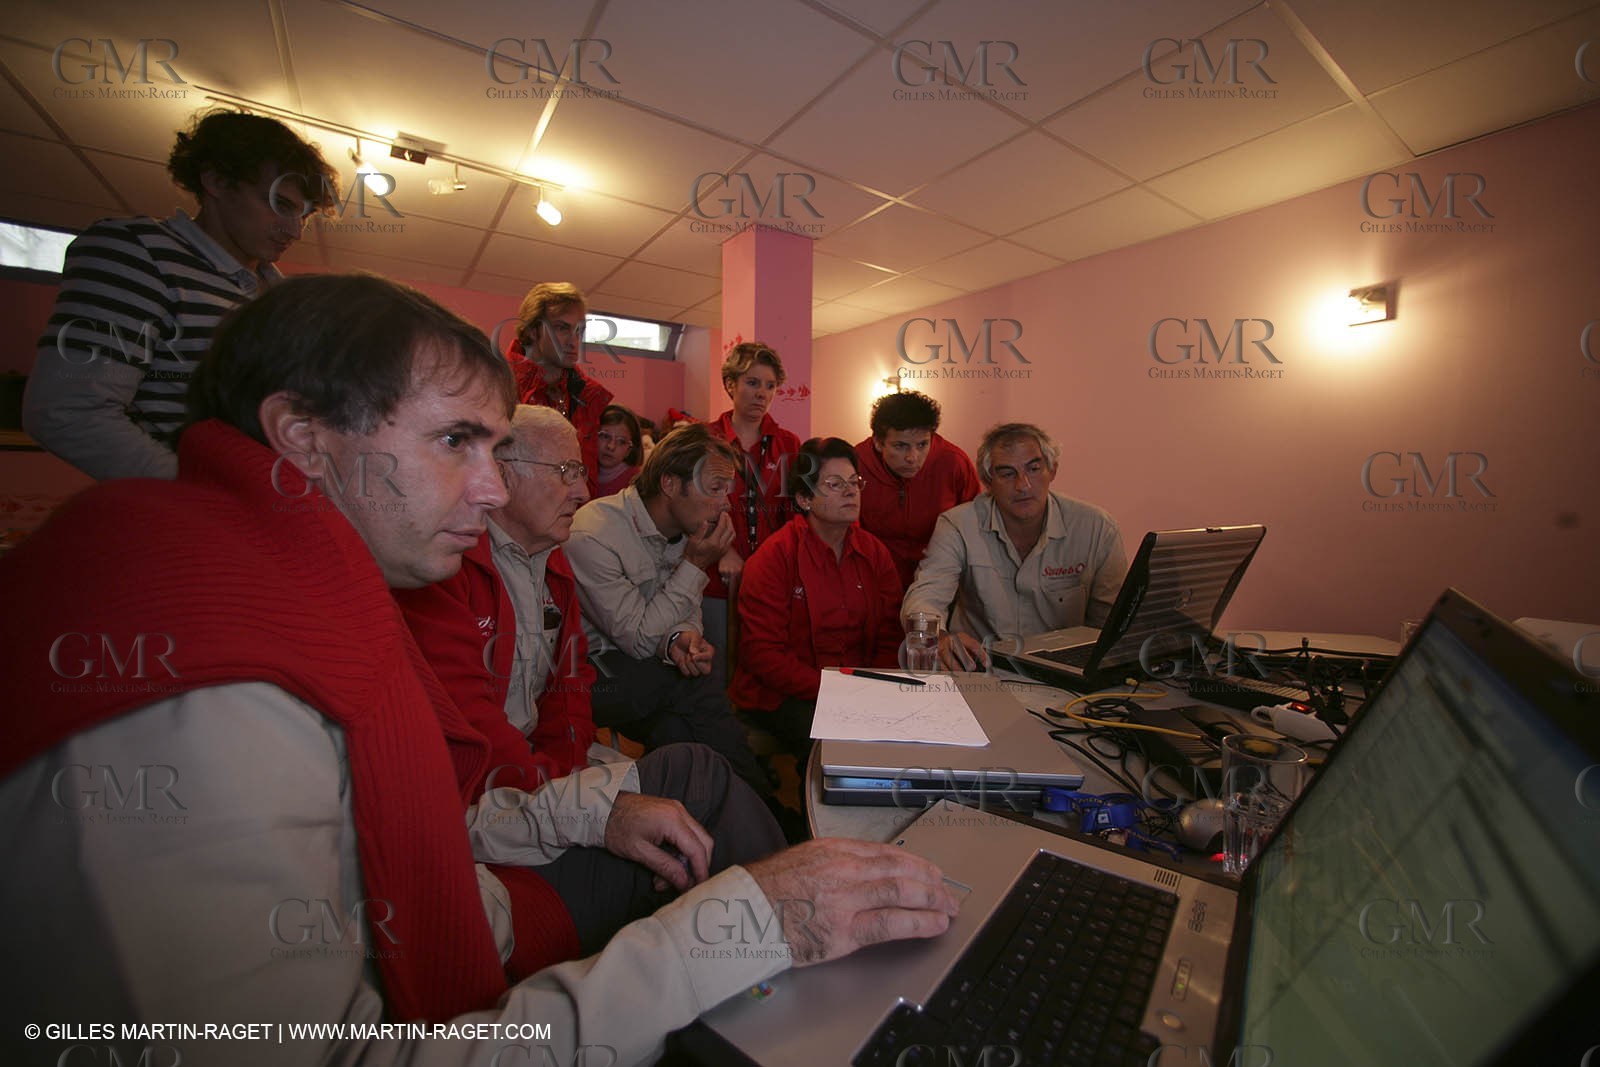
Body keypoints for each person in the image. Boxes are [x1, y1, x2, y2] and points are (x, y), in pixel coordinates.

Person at [0, 273, 958, 1067]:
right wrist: (744, 928)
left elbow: (500, 759)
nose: (495, 488)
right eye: (458, 441)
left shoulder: (276, 583)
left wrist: (593, 804)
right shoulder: (190, 661)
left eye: (499, 451)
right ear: (301, 436)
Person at [396, 404, 785, 960]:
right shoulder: (455, 565)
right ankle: (779, 903)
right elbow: (479, 727)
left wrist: (681, 638)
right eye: (565, 472)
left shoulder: (550, 560)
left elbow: (567, 691)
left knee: (689, 737)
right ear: (503, 473)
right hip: (491, 789)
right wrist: (570, 791)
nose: (582, 491)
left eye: (581, 473)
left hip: (547, 755)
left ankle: (760, 910)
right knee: (691, 739)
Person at [23, 107, 337, 480]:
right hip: (196, 513)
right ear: (217, 181)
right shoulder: (139, 250)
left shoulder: (277, 294)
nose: (294, 230)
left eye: (303, 215)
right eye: (280, 205)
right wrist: (201, 497)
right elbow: (69, 411)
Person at [563, 424, 783, 816]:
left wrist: (686, 639)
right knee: (690, 684)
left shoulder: (684, 529)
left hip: (648, 672)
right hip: (586, 677)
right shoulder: (594, 533)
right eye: (714, 488)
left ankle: (726, 824)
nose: (725, 504)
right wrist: (696, 565)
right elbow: (637, 639)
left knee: (678, 732)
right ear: (669, 483)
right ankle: (766, 807)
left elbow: (684, 611)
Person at [731, 438, 904, 765]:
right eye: (836, 484)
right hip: (785, 694)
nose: (851, 492)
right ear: (804, 498)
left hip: (858, 688)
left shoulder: (874, 552)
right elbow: (763, 654)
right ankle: (807, 816)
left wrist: (870, 687)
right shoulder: (776, 556)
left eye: (855, 483)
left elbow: (889, 634)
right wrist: (836, 690)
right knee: (835, 746)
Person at [902, 422, 1129, 672]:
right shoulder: (957, 525)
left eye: (1033, 469)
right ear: (988, 480)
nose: (1023, 485)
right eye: (1007, 473)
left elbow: (1113, 622)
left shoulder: (1097, 528)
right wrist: (940, 638)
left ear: (1052, 470)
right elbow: (925, 598)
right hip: (982, 671)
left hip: (1066, 676)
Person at [705, 342, 802, 680]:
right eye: (752, 382)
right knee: (716, 670)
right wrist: (724, 549)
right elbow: (691, 507)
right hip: (716, 579)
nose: (762, 393)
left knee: (763, 668)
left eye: (770, 385)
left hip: (771, 579)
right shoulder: (705, 439)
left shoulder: (788, 443)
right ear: (730, 384)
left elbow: (794, 513)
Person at [855, 389, 982, 590]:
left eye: (923, 444)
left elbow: (976, 528)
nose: (913, 457)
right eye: (900, 446)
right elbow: (848, 536)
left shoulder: (953, 462)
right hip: (874, 579)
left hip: (940, 578)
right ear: (878, 442)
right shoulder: (856, 465)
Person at [506, 281, 611, 497]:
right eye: (562, 328)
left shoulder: (586, 396)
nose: (574, 342)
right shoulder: (498, 386)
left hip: (572, 520)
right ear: (534, 331)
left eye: (579, 331)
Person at [594, 403, 643, 498]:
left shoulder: (635, 482)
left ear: (630, 450)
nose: (611, 446)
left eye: (621, 441)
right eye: (605, 436)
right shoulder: (583, 471)